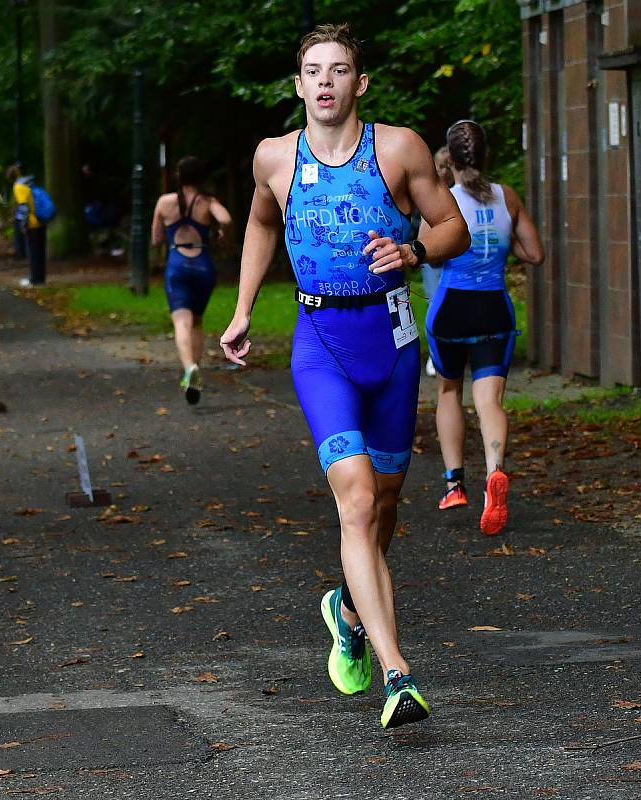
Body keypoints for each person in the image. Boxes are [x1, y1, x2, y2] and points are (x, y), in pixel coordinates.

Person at [220, 24, 469, 729]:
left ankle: (348, 611)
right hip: (320, 343)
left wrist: (414, 247)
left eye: (339, 70)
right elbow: (263, 224)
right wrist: (241, 309)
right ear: (298, 84)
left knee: (386, 501)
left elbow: (454, 228)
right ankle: (398, 673)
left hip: (390, 344)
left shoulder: (398, 149)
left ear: (360, 83)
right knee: (356, 501)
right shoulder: (276, 157)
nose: (325, 81)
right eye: (312, 70)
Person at [423, 119, 544, 532]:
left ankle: (455, 484)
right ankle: (495, 470)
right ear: (485, 155)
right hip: (495, 307)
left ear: (450, 158)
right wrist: (502, 241)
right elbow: (534, 253)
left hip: (452, 307)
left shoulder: (444, 201)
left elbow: (431, 255)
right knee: (489, 399)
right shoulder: (507, 197)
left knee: (449, 390)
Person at [151, 157, 233, 405]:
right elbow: (227, 219)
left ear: (179, 176)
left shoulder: (165, 202)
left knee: (181, 322)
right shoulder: (207, 202)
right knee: (196, 321)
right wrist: (221, 234)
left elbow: (156, 239)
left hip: (177, 264)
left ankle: (189, 369)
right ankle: (196, 368)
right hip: (203, 265)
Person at [421, 146, 453, 377]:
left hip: (455, 261)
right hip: (434, 261)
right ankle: (436, 353)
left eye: (447, 166)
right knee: (436, 303)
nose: (443, 171)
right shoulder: (431, 196)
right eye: (439, 167)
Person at [6, 164, 46, 285]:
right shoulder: (29, 183)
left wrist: (23, 225)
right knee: (40, 252)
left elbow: (23, 206)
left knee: (33, 252)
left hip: (31, 223)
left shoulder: (18, 187)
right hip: (41, 219)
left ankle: (35, 279)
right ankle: (41, 278)